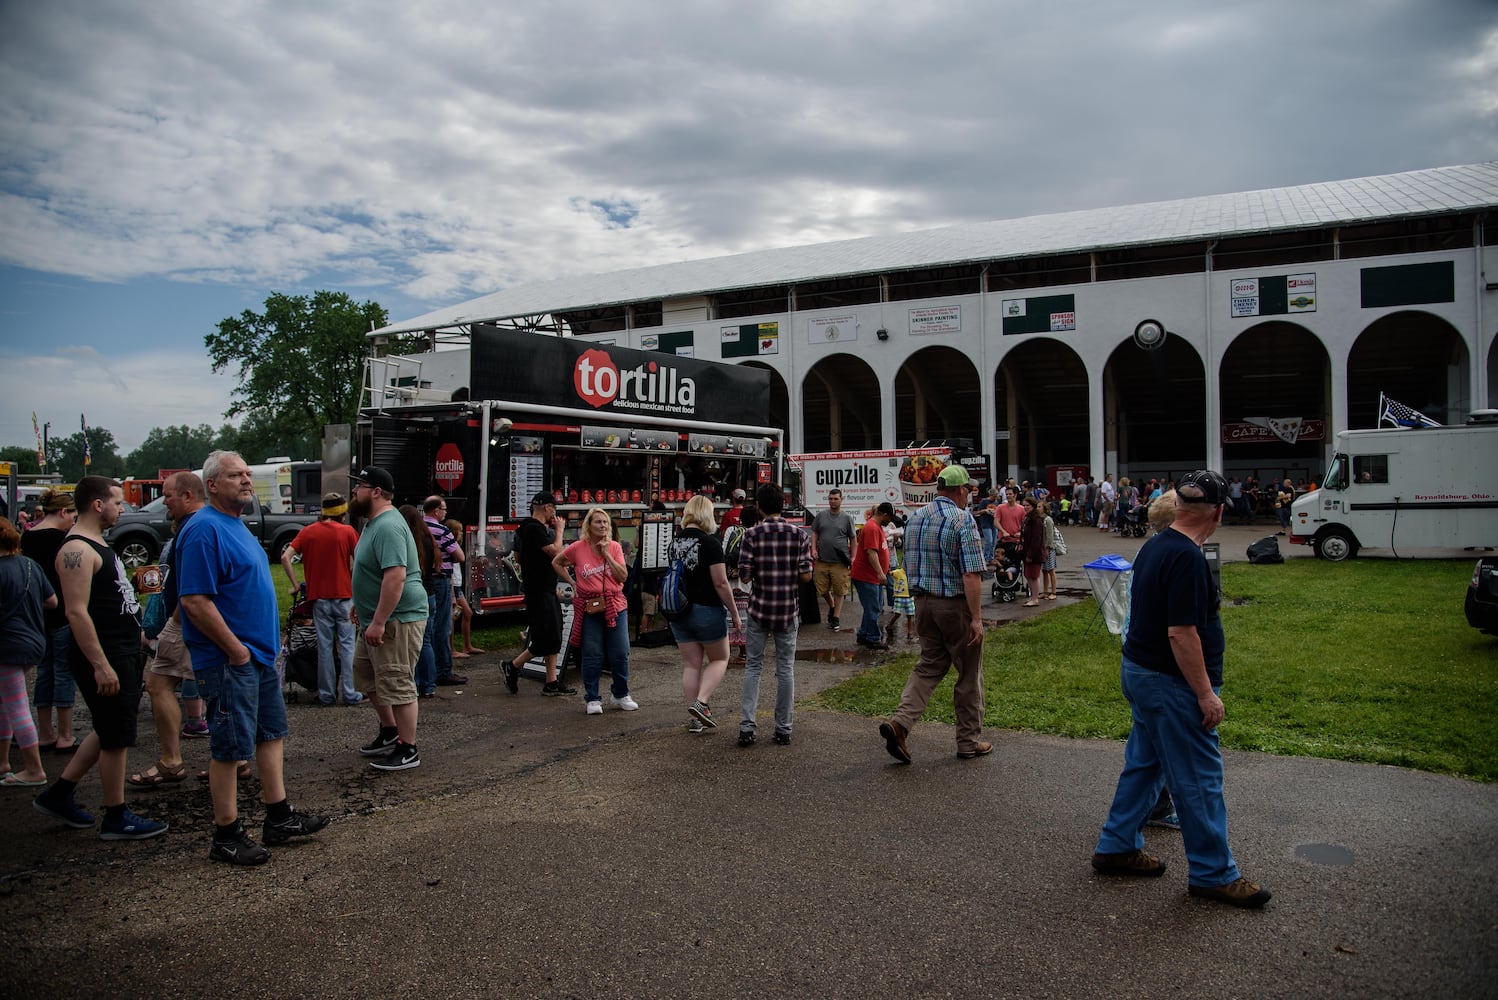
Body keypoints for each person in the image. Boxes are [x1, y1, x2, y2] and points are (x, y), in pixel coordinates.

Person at [1090, 469, 1271, 908]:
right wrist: (1205, 693)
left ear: (1181, 507)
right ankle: (1213, 873)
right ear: (1219, 512)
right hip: (1170, 684)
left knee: (1146, 765)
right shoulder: (1189, 557)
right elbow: (1182, 633)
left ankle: (1116, 846)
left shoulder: (1155, 545)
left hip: (1142, 673)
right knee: (1198, 779)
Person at [176, 452, 328, 863]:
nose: (246, 480)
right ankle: (226, 835)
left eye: (247, 473)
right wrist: (236, 650)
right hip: (230, 660)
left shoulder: (236, 526)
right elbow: (193, 600)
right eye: (235, 475)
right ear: (211, 484)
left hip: (257, 658)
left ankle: (279, 816)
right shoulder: (204, 529)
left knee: (270, 733)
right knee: (229, 746)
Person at [32, 476, 167, 840]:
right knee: (116, 737)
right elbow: (75, 612)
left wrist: (137, 631)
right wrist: (100, 664)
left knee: (110, 727)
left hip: (121, 649)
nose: (121, 509)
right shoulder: (75, 551)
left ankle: (59, 794)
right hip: (105, 654)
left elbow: (111, 600)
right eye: (117, 503)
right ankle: (116, 816)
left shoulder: (97, 546)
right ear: (97, 504)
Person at [878, 465, 990, 764]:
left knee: (929, 665)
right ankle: (968, 741)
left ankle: (899, 724)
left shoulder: (916, 519)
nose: (969, 495)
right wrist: (976, 618)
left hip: (923, 604)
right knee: (968, 674)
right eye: (968, 489)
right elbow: (971, 574)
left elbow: (907, 562)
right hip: (954, 605)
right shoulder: (963, 520)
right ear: (960, 490)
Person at [128, 471, 211, 787]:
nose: (164, 502)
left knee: (159, 684)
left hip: (186, 619)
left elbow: (193, 586)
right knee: (216, 687)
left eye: (169, 495)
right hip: (193, 619)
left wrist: (172, 625)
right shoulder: (204, 525)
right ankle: (234, 759)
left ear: (189, 495)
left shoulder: (196, 529)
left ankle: (173, 760)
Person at [348, 465, 429, 773]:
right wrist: (362, 605)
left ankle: (408, 749)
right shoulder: (372, 523)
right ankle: (390, 731)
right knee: (366, 675)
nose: (355, 491)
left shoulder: (388, 526)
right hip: (374, 617)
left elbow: (395, 576)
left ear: (376, 492)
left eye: (359, 486)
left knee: (397, 681)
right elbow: (371, 570)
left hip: (397, 619)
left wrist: (380, 620)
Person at [736, 482, 813, 747]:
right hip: (787, 609)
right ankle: (783, 728)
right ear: (783, 505)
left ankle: (747, 726)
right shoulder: (799, 535)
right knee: (785, 668)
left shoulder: (751, 535)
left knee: (753, 667)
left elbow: (744, 574)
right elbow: (806, 575)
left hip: (759, 608)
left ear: (759, 506)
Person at [280, 491, 363, 707]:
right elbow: (361, 561)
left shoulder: (308, 532)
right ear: (341, 513)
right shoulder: (348, 532)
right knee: (347, 646)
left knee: (325, 647)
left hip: (318, 599)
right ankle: (350, 692)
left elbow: (285, 557)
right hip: (345, 597)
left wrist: (295, 584)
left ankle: (327, 694)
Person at [669, 495, 743, 734]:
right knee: (720, 658)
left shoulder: (674, 542)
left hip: (679, 611)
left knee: (691, 665)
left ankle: (695, 719)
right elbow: (721, 583)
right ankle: (702, 703)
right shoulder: (710, 543)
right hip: (707, 609)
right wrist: (734, 612)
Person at [553, 507, 636, 715]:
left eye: (606, 522)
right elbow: (557, 562)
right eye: (598, 522)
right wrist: (572, 582)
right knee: (592, 654)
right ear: (588, 525)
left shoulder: (615, 547)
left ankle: (620, 694)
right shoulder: (577, 548)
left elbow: (623, 576)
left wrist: (606, 553)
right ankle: (592, 698)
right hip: (590, 607)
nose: (603, 525)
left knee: (620, 653)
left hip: (615, 604)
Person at [19, 488, 78, 753]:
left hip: (37, 612)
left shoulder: (27, 536)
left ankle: (44, 732)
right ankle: (65, 734)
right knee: (64, 671)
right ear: (63, 512)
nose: (74, 521)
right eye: (73, 515)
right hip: (63, 609)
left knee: (44, 671)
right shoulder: (64, 539)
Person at [0, 516, 54, 787]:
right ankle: (4, 763)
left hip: (8, 646)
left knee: (17, 706)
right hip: (34, 641)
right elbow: (52, 601)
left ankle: (34, 769)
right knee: (7, 703)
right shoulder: (30, 566)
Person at [505, 491, 573, 696]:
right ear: (546, 508)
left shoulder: (523, 529)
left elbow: (517, 556)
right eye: (554, 508)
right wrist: (560, 530)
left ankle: (551, 681)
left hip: (543, 587)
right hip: (539, 590)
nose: (555, 513)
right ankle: (513, 666)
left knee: (554, 632)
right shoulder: (534, 528)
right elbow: (556, 553)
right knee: (546, 637)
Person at [422, 497, 466, 687]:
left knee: (424, 628)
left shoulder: (416, 527)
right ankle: (443, 670)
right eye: (444, 509)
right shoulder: (442, 530)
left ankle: (425, 673)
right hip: (439, 580)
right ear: (436, 511)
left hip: (420, 580)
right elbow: (460, 556)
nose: (445, 513)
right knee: (442, 626)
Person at [809, 488, 855, 631]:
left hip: (840, 562)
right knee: (821, 588)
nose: (832, 501)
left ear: (841, 500)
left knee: (839, 590)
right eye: (830, 499)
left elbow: (853, 539)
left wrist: (853, 557)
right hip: (822, 560)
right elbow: (815, 532)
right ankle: (832, 605)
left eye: (835, 499)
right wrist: (813, 549)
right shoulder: (821, 516)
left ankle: (835, 617)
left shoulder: (847, 518)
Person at [851, 502, 895, 649]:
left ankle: (863, 634)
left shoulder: (877, 527)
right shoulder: (871, 528)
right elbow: (871, 552)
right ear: (884, 515)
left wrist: (885, 567)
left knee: (872, 606)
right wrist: (880, 573)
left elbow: (881, 549)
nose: (891, 521)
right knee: (874, 607)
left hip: (872, 576)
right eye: (890, 517)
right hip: (866, 576)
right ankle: (873, 638)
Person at [445, 517, 484, 657]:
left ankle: (467, 646)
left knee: (466, 612)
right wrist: (453, 594)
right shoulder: (449, 546)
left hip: (457, 586)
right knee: (453, 618)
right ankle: (451, 649)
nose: (461, 533)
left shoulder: (454, 545)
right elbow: (448, 569)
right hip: (453, 586)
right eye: (460, 530)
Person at [1019, 497, 1046, 607]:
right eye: (1024, 505)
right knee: (1028, 575)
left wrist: (1030, 554)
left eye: (1027, 505)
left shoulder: (1036, 520)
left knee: (1034, 576)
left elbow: (1036, 539)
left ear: (1033, 506)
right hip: (1026, 551)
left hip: (1034, 553)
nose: (1025, 507)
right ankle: (1032, 597)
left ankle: (1035, 598)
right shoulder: (1027, 518)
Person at [1040, 499, 1060, 601]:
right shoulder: (1040, 519)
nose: (1038, 509)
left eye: (1040, 507)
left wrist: (1047, 548)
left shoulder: (1047, 520)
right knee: (1044, 570)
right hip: (1042, 548)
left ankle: (1054, 592)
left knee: (1051, 570)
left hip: (1049, 548)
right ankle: (1045, 591)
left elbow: (1049, 536)